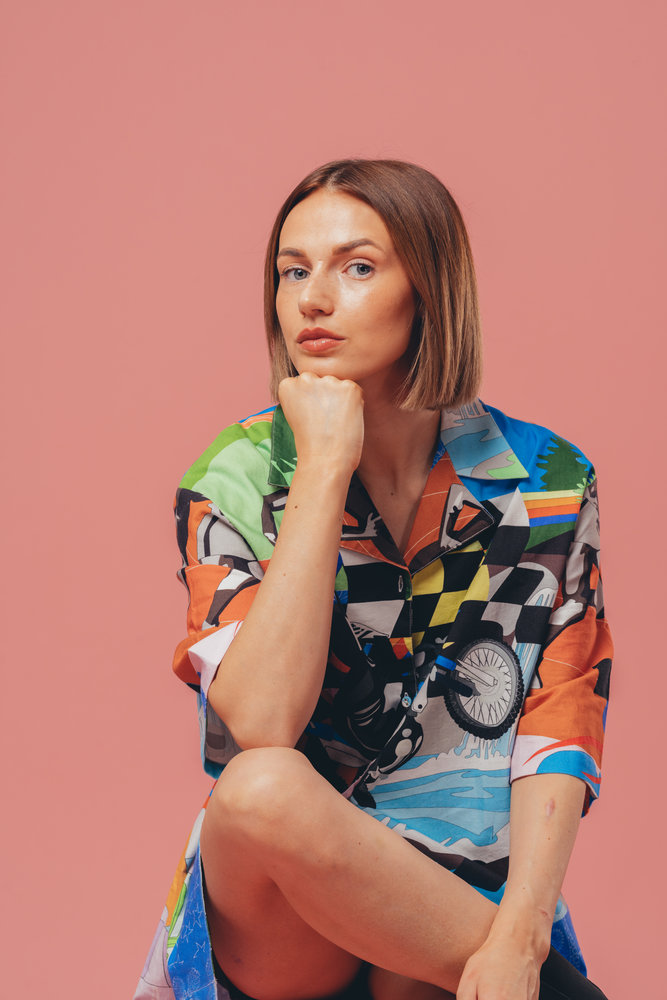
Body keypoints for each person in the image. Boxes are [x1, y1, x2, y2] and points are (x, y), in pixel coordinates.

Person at [134, 159, 612, 1000]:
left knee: (433, 946)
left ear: (428, 289)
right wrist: (322, 468)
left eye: (356, 267)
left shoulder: (547, 479)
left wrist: (521, 934)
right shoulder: (236, 476)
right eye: (292, 271)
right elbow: (261, 724)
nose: (313, 300)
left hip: (457, 885)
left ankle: (507, 964)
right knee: (260, 788)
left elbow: (558, 721)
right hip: (284, 913)